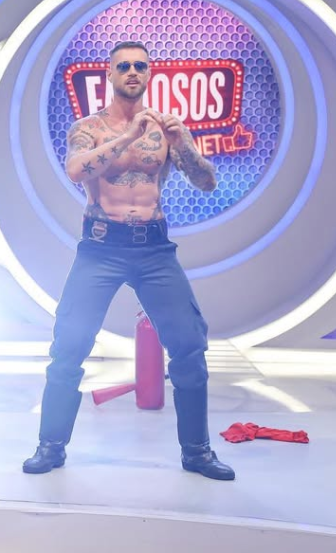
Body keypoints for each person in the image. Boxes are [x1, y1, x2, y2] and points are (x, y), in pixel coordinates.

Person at [23, 41, 235, 481]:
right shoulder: (89, 128)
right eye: (124, 66)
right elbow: (76, 170)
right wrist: (127, 137)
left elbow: (207, 182)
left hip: (154, 249)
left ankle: (197, 451)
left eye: (140, 66)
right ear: (111, 74)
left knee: (189, 346)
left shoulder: (165, 129)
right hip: (101, 246)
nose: (133, 72)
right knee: (69, 346)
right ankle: (51, 446)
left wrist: (182, 145)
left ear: (149, 74)